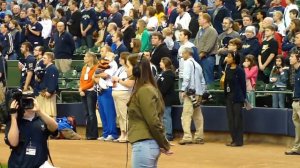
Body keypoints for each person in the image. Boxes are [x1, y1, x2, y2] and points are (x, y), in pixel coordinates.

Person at [127, 53, 172, 167]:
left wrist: (164, 143)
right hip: (147, 144)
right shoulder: (145, 88)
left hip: (144, 145)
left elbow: (153, 121)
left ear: (137, 70)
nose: (126, 69)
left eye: (128, 66)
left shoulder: (144, 90)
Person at [4, 97, 58, 167]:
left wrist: (39, 111)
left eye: (30, 101)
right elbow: (13, 143)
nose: (27, 105)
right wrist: (13, 117)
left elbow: (54, 127)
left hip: (40, 165)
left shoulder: (42, 119)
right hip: (18, 165)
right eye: (24, 102)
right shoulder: (14, 122)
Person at [178, 47, 206, 145]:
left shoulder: (187, 63)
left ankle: (187, 137)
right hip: (198, 93)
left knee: (186, 115)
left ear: (187, 53)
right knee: (197, 115)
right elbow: (202, 80)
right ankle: (199, 137)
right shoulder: (198, 64)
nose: (182, 55)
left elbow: (186, 78)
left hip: (190, 93)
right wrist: (201, 93)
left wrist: (183, 89)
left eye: (183, 53)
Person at [94, 46, 118, 141]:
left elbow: (105, 75)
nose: (100, 52)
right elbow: (95, 74)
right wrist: (97, 74)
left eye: (103, 50)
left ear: (108, 52)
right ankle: (106, 133)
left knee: (109, 112)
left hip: (108, 89)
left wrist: (97, 75)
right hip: (100, 89)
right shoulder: (102, 63)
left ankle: (112, 133)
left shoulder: (113, 63)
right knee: (102, 112)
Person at [224, 50, 246, 147]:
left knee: (237, 120)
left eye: (229, 57)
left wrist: (243, 99)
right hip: (229, 97)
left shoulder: (240, 70)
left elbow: (243, 86)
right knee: (230, 119)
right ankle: (233, 140)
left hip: (237, 98)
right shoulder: (227, 68)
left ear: (234, 59)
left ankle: (239, 141)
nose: (227, 58)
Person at [111, 52, 132, 142]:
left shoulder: (129, 69)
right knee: (119, 115)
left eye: (121, 58)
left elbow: (128, 84)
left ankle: (128, 134)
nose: (119, 59)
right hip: (116, 92)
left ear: (125, 60)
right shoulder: (120, 68)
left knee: (124, 115)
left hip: (124, 93)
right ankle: (122, 133)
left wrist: (118, 80)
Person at [79, 52, 98, 140]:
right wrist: (81, 89)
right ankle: (88, 134)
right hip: (84, 92)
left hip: (91, 92)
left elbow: (92, 82)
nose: (84, 58)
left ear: (91, 58)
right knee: (87, 114)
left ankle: (93, 134)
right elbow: (81, 79)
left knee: (91, 113)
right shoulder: (84, 67)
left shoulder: (96, 67)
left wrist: (82, 88)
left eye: (86, 56)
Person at [157, 57, 176, 141]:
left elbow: (164, 88)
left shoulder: (169, 74)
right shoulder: (163, 73)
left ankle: (168, 134)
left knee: (166, 116)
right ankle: (164, 133)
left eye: (161, 62)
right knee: (162, 117)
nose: (159, 63)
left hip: (166, 99)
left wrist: (157, 93)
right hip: (161, 98)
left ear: (165, 63)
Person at [285, 51, 300, 155]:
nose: (290, 58)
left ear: (298, 59)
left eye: (292, 57)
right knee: (297, 127)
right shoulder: (295, 71)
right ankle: (297, 148)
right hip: (295, 102)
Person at [36, 52, 59, 118]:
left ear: (50, 59)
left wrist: (50, 91)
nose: (43, 59)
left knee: (49, 114)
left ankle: (51, 128)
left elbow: (53, 81)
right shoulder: (47, 68)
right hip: (43, 94)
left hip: (48, 95)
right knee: (44, 114)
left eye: (45, 58)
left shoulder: (52, 68)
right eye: (43, 57)